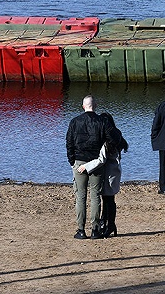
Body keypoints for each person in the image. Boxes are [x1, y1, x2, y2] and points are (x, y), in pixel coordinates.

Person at [66, 95, 119, 240]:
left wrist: (72, 161)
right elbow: (114, 138)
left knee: (80, 196)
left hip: (79, 161)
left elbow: (69, 142)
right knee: (95, 196)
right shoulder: (102, 122)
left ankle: (81, 230)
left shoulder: (75, 122)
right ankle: (95, 230)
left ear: (83, 106)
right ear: (95, 106)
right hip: (96, 163)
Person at [77, 112, 129, 238]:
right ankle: (109, 224)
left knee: (107, 200)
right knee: (110, 200)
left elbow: (101, 159)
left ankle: (108, 225)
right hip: (115, 172)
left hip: (109, 174)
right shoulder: (117, 137)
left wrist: (86, 166)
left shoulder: (107, 141)